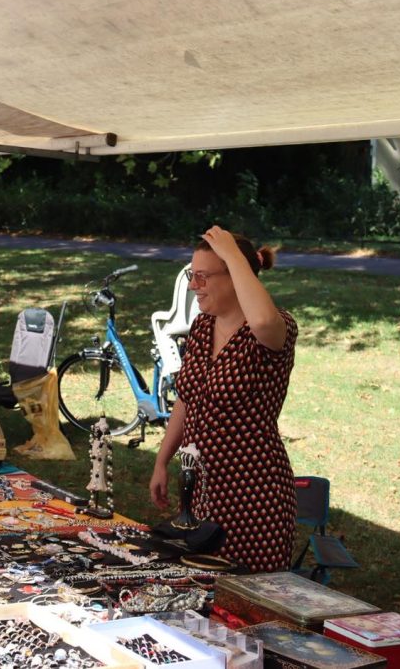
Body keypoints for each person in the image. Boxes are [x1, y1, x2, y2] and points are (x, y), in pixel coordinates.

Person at [149, 225, 298, 573]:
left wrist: (232, 253)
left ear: (236, 276)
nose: (193, 285)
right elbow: (188, 398)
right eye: (192, 275)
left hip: (255, 498)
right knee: (198, 592)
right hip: (202, 493)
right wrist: (162, 460)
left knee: (247, 597)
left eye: (203, 276)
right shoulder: (203, 326)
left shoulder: (274, 329)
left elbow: (262, 320)